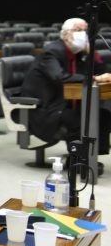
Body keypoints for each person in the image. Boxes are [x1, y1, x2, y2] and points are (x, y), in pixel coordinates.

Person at [21, 17, 111, 156]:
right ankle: (76, 160)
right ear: (65, 34)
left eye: (85, 31)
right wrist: (95, 78)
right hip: (46, 107)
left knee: (103, 115)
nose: (83, 34)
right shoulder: (51, 52)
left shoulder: (77, 52)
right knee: (78, 120)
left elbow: (98, 71)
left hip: (66, 102)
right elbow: (59, 77)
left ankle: (92, 157)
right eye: (78, 30)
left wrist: (92, 54)